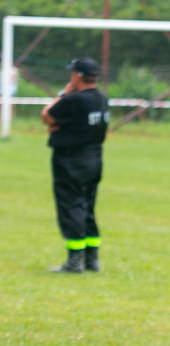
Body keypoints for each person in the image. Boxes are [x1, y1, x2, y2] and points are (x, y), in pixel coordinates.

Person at [40, 57, 110, 273]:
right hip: (94, 158)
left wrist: (63, 93)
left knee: (71, 207)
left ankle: (74, 262)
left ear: (77, 76)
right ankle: (92, 260)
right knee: (88, 206)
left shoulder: (74, 100)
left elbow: (47, 115)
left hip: (71, 161)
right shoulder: (101, 99)